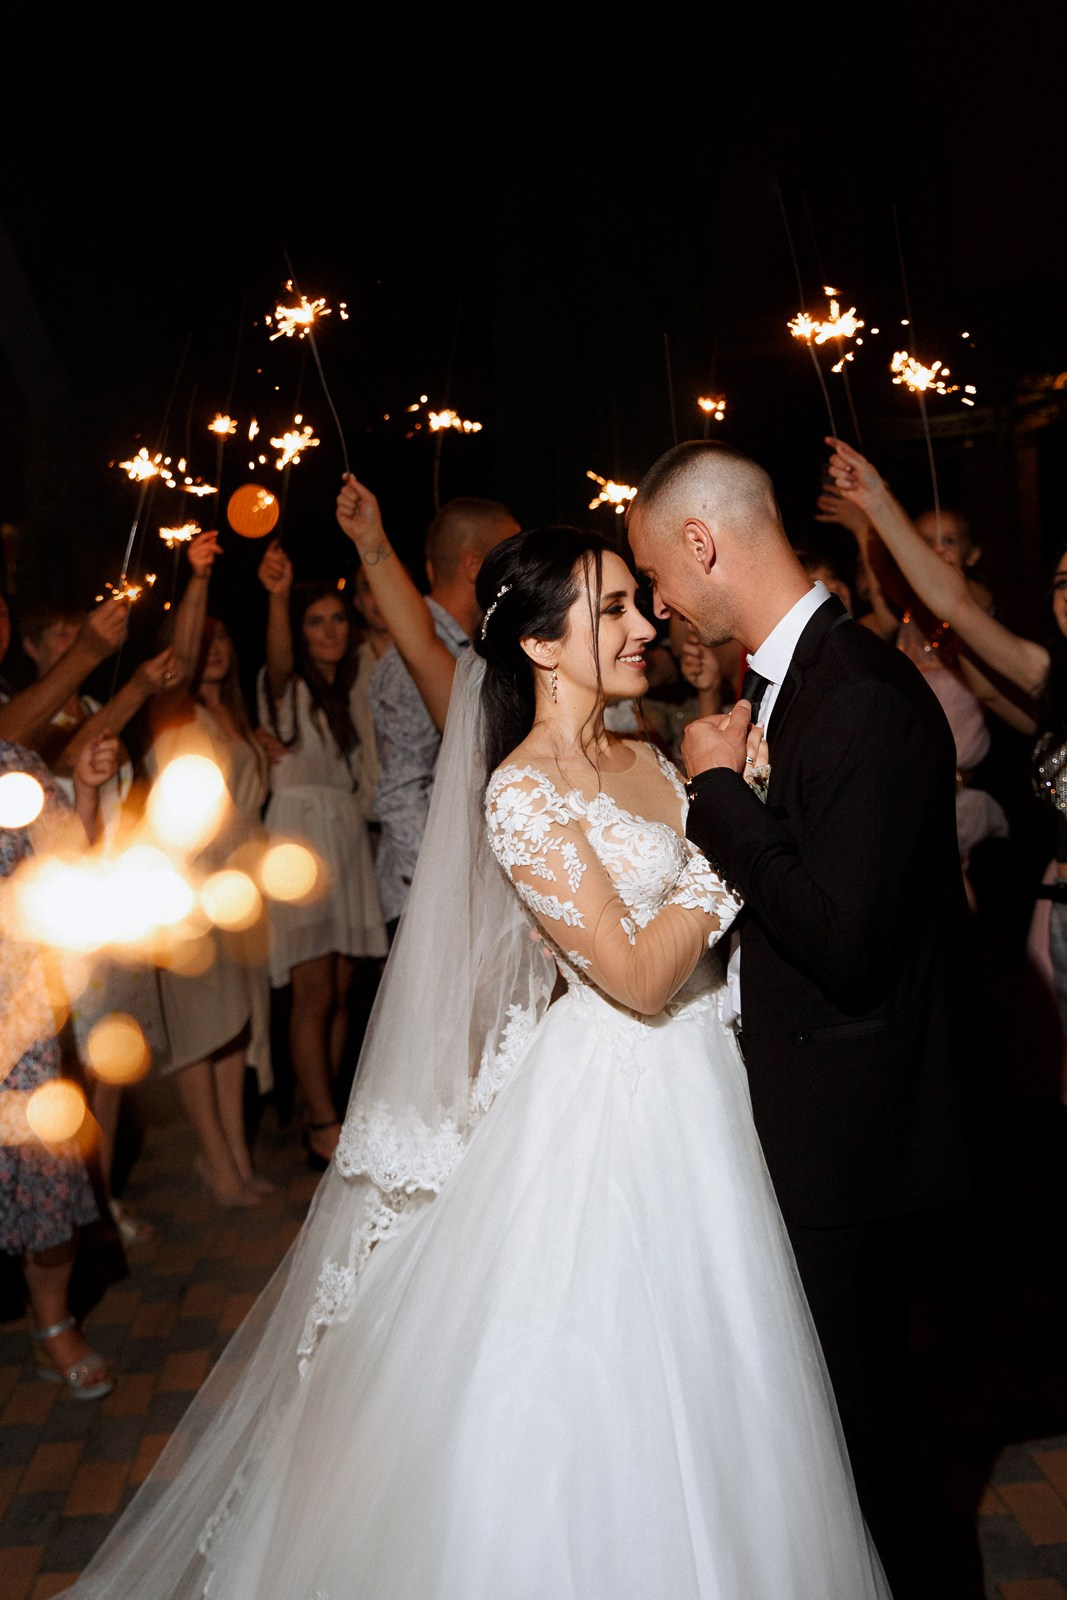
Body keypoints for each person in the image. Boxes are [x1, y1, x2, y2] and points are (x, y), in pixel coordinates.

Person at [58, 525, 890, 1600]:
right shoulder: (522, 794)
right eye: (612, 610)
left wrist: (732, 793)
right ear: (540, 645)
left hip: (714, 1086)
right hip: (614, 1103)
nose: (645, 625)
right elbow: (638, 978)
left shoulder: (653, 753)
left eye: (638, 602)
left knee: (732, 1365)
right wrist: (734, 831)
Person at [626, 439, 977, 1600]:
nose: (658, 605)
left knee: (877, 1452)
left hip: (855, 1137)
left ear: (699, 543)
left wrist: (718, 796)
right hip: (817, 1116)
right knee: (844, 1444)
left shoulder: (860, 694)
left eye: (655, 575)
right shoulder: (787, 682)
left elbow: (843, 938)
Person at [824, 433, 1067, 1088]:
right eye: (1060, 583)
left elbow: (957, 602)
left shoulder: (1013, 649)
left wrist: (873, 518)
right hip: (1057, 905)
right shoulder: (1048, 685)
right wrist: (876, 506)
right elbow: (950, 615)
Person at [147, 530, 272, 1207]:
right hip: (188, 878)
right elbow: (181, 655)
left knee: (236, 1025)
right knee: (200, 1028)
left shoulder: (236, 716)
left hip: (240, 882)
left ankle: (236, 1159)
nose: (215, 649)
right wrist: (196, 578)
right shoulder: (173, 709)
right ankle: (216, 1162)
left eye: (224, 639)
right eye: (205, 640)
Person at [335, 478, 519, 937]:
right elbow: (401, 792)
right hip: (428, 899)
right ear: (475, 566)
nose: (521, 572)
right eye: (510, 557)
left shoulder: (474, 650)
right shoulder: (407, 663)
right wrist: (445, 894)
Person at [256, 542, 388, 1167]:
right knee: (312, 991)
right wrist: (279, 597)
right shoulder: (282, 688)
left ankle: (323, 1111)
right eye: (316, 621)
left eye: (337, 619)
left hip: (346, 834)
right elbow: (278, 658)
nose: (330, 631)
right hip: (299, 835)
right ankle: (322, 1123)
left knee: (338, 990)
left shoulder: (351, 684)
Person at [1, 731, 122, 1399]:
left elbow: (69, 860)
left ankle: (52, 1324)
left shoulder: (15, 759)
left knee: (44, 1162)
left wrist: (88, 788)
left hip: (18, 1006)